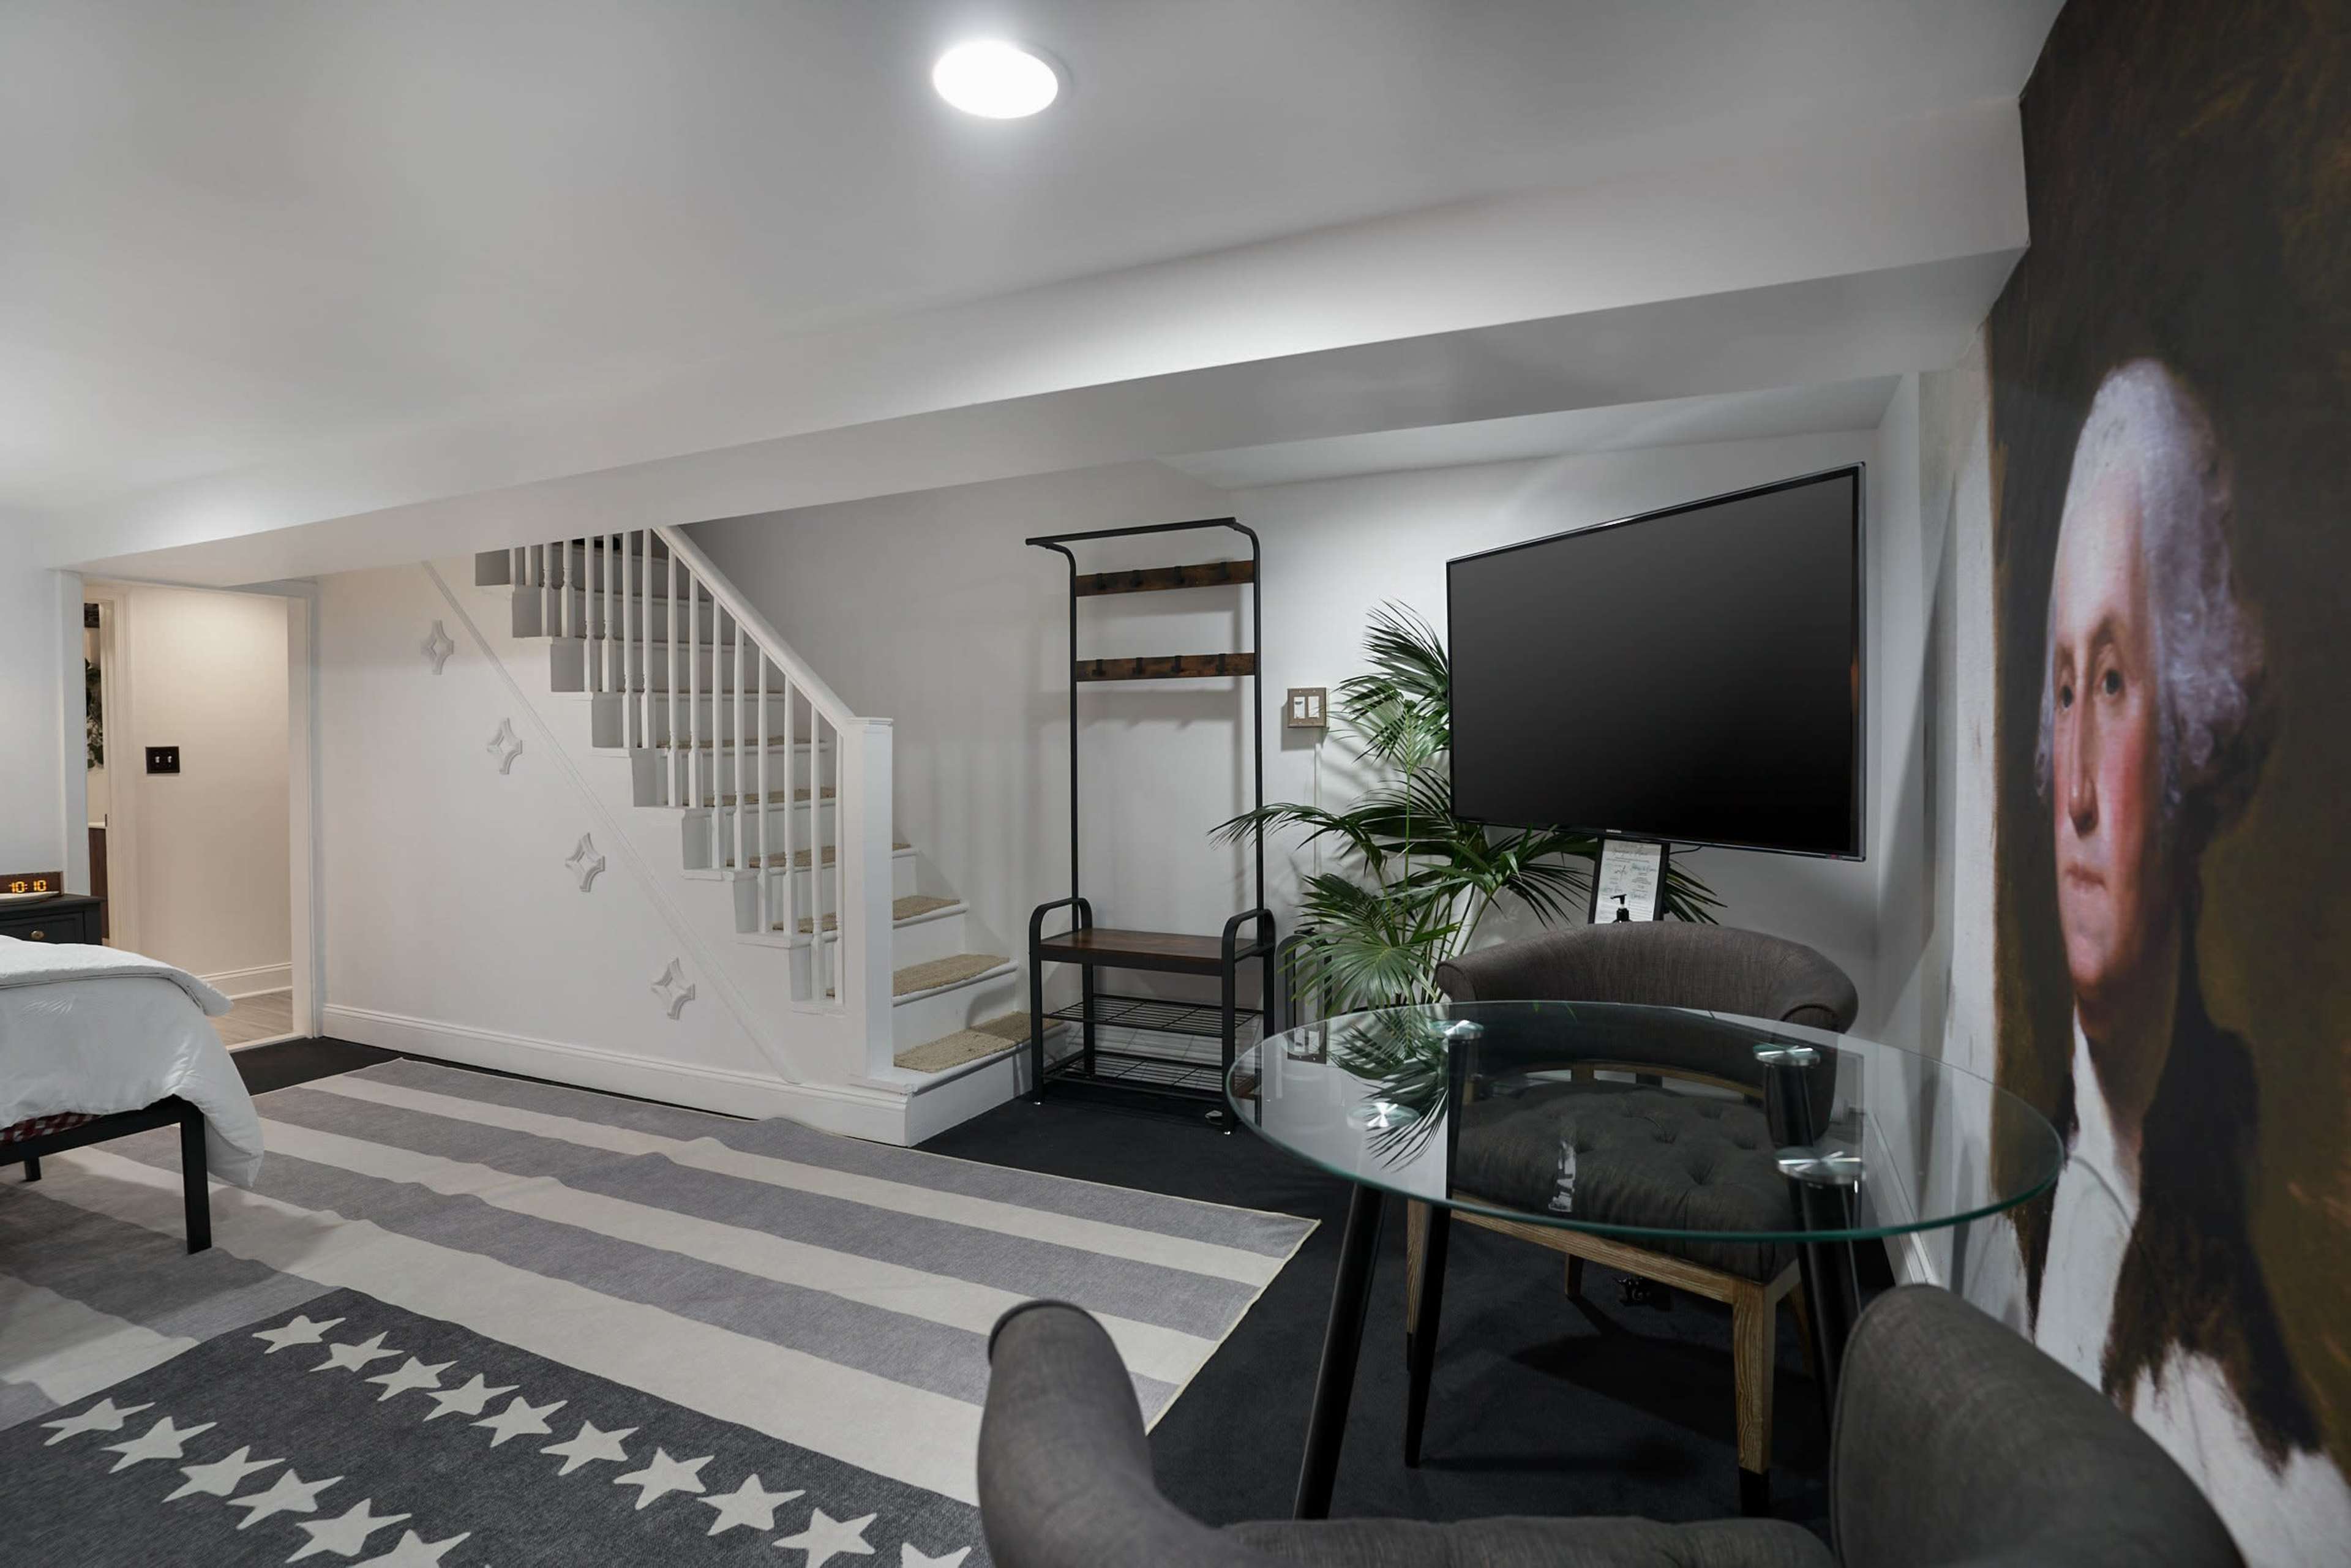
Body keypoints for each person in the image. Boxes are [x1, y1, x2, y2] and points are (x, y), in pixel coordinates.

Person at [2012, 358, 2349, 1567]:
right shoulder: (2031, 1190)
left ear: (2197, 737)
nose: (2083, 790)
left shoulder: (2278, 1480)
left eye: (2115, 680)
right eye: (2063, 692)